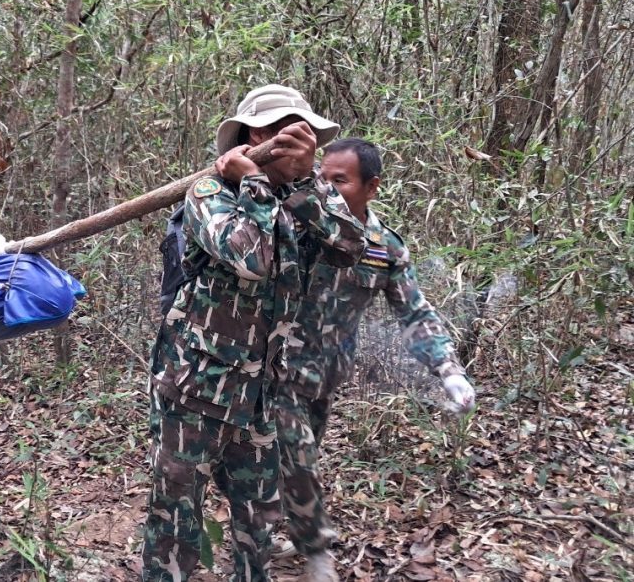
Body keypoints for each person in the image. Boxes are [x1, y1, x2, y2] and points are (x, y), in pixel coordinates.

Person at [142, 85, 366, 582]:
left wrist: (306, 180)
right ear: (256, 137)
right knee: (174, 524)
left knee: (257, 528)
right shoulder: (208, 194)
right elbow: (253, 257)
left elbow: (352, 245)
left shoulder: (309, 196)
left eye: (303, 133)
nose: (298, 142)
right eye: (283, 130)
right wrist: (254, 182)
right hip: (194, 394)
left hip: (263, 399)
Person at [269, 138, 476, 581]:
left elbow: (415, 312)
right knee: (298, 457)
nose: (327, 187)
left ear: (372, 186)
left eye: (339, 180)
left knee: (291, 459)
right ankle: (315, 552)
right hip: (278, 369)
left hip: (325, 376)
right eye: (322, 177)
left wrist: (449, 371)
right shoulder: (301, 223)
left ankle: (270, 529)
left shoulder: (385, 248)